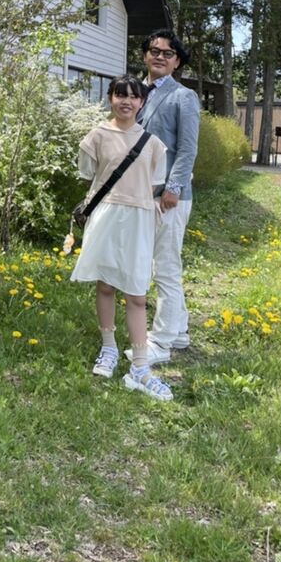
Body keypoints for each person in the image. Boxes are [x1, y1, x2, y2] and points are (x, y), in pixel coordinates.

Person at [70, 74, 173, 402]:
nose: (126, 101)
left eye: (133, 96)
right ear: (110, 98)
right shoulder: (96, 137)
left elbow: (154, 184)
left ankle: (140, 366)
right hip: (106, 216)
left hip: (139, 218)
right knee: (105, 285)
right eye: (120, 95)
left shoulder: (153, 144)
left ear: (141, 102)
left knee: (137, 293)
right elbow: (88, 175)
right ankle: (109, 347)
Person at [126, 29, 200, 366]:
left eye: (167, 53)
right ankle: (179, 331)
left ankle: (162, 340)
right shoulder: (136, 93)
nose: (159, 56)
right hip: (141, 193)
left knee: (165, 267)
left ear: (177, 62)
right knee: (159, 264)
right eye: (154, 50)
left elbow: (187, 148)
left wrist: (174, 188)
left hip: (169, 198)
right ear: (145, 55)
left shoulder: (183, 96)